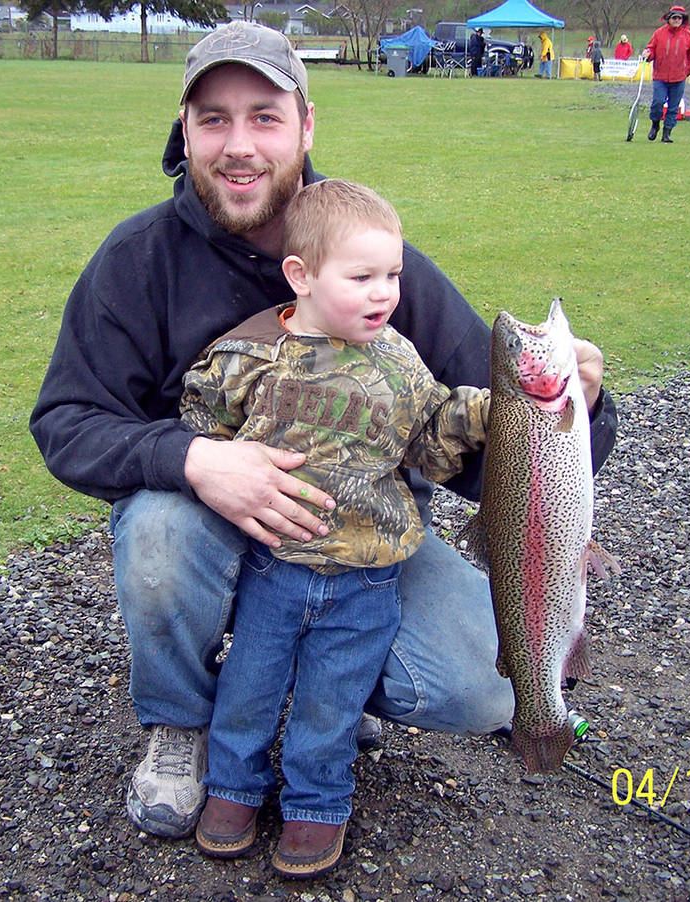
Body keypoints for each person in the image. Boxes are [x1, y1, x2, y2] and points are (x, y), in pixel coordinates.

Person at [29, 20, 618, 844]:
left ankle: (332, 689)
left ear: (307, 125)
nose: (239, 145)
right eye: (214, 119)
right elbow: (65, 422)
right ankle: (181, 724)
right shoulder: (137, 262)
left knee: (485, 688)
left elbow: (492, 458)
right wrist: (196, 458)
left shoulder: (373, 258)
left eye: (264, 116)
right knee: (158, 535)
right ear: (185, 131)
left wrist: (573, 416)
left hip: (361, 550)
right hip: (212, 525)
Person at [184, 178, 491, 878]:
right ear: (302, 276)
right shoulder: (251, 357)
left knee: (334, 697)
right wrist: (216, 463)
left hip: (368, 577)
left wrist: (481, 415)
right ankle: (233, 787)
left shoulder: (403, 363)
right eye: (362, 277)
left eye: (393, 275)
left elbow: (432, 445)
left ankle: (317, 806)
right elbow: (201, 421)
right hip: (275, 567)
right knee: (250, 686)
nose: (384, 292)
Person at [642, 5, 690, 143]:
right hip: (660, 76)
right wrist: (647, 54)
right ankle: (655, 124)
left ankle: (667, 133)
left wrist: (688, 69)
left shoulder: (688, 35)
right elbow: (651, 49)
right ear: (669, 18)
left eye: (680, 18)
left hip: (679, 77)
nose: (677, 20)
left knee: (673, 107)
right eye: (674, 17)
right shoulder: (659, 33)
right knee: (657, 103)